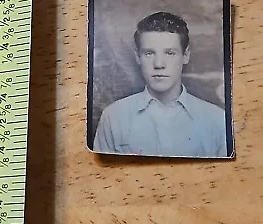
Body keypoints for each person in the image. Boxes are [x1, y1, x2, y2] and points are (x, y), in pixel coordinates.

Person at [93, 12, 227, 157]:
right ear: (138, 56)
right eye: (149, 53)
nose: (159, 64)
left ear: (186, 55)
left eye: (169, 53)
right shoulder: (113, 117)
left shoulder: (217, 120)